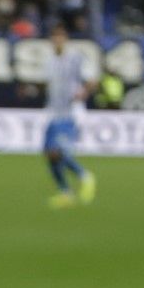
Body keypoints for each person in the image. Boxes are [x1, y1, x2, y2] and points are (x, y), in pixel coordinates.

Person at [43, 23, 97, 208]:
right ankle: (65, 193)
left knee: (56, 150)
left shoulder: (75, 59)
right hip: (53, 113)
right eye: (54, 37)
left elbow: (91, 80)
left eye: (60, 37)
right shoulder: (50, 61)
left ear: (65, 39)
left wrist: (83, 92)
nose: (57, 41)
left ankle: (84, 176)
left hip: (69, 114)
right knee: (49, 154)